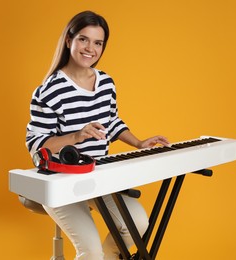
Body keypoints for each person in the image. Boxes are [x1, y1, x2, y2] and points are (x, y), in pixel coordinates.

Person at [26, 10, 169, 260]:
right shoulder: (49, 90)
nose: (89, 48)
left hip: (98, 176)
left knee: (138, 224)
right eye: (83, 39)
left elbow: (111, 121)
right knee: (90, 251)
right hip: (60, 180)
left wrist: (139, 142)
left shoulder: (106, 83)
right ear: (69, 40)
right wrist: (75, 136)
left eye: (97, 42)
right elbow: (36, 144)